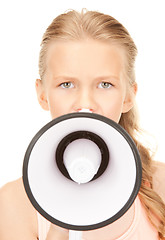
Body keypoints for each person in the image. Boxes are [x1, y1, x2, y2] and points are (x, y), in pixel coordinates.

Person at [0, 8, 165, 240]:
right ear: (43, 95)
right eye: (66, 84)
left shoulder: (160, 186)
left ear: (128, 96)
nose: (85, 104)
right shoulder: (14, 205)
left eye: (105, 85)